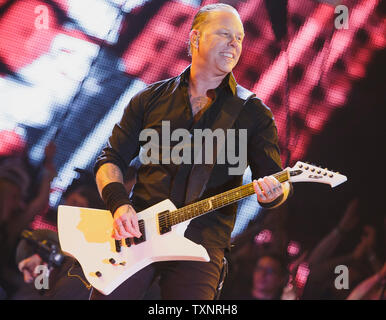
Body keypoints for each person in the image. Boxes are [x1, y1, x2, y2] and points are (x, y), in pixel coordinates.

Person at [92, 3, 291, 300]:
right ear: (196, 38)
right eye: (225, 34)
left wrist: (274, 193)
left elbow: (277, 181)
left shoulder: (253, 113)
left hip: (203, 243)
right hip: (139, 232)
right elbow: (111, 159)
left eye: (239, 37)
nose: (234, 43)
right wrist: (120, 204)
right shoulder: (151, 98)